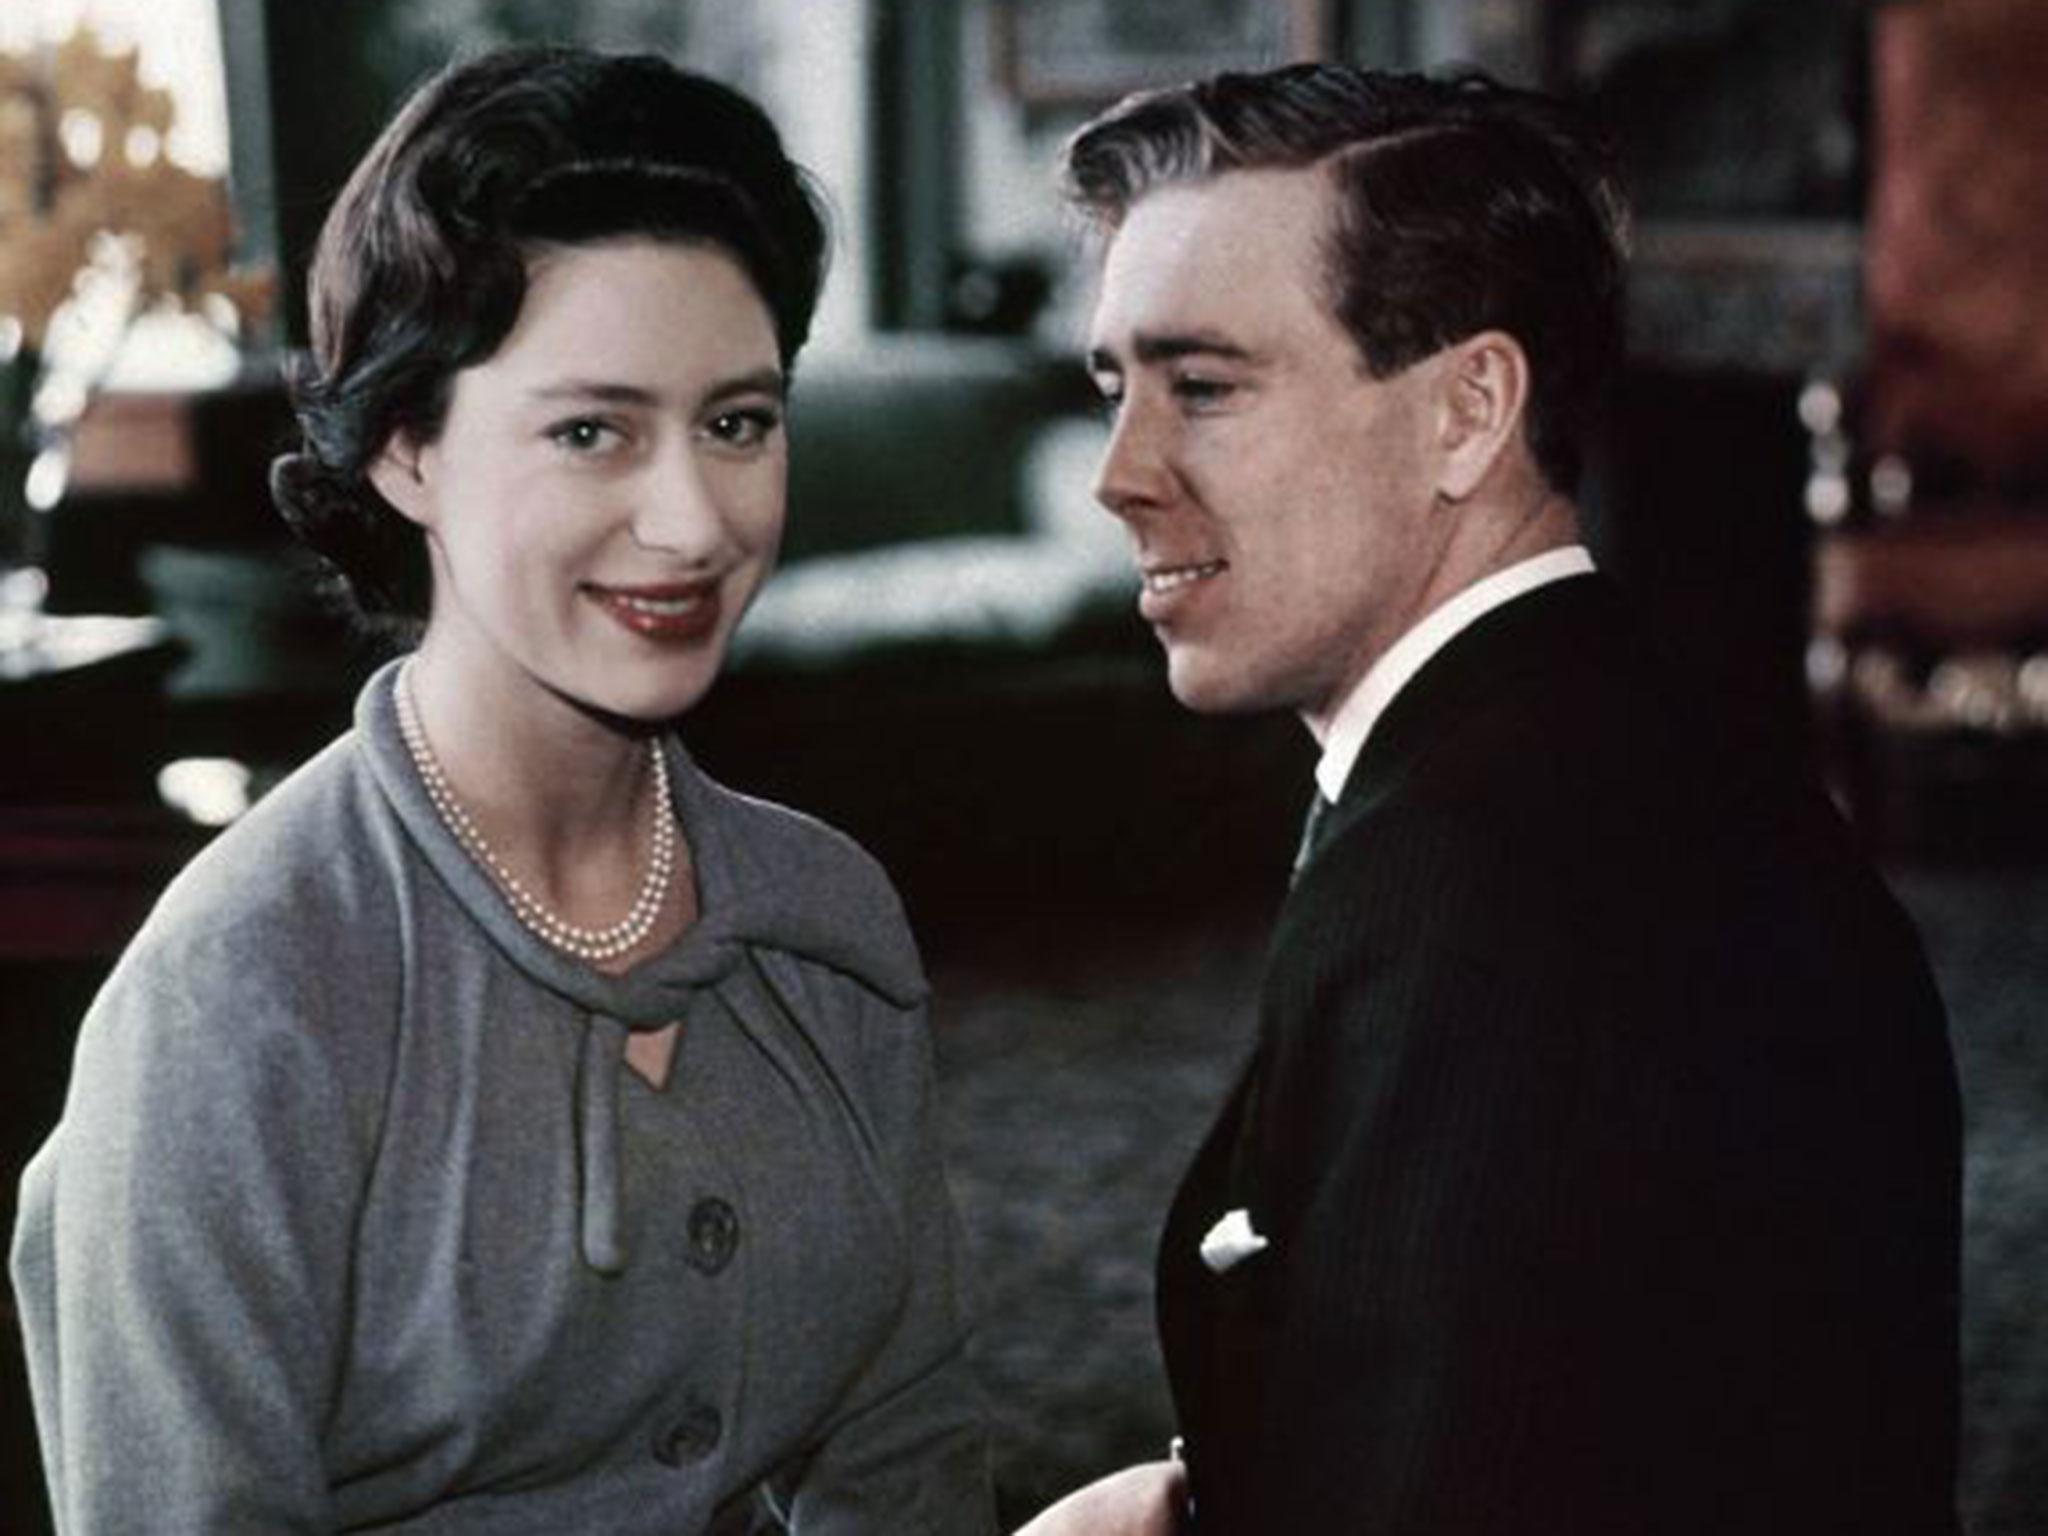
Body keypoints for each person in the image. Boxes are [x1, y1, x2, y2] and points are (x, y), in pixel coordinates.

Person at [10, 46, 993, 1534]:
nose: (690, 521)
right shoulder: (242, 997)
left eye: (737, 422)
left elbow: (905, 1465)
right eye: (590, 430)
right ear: (407, 445)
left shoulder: (827, 915)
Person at [1023, 64, 1961, 1535]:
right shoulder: (1598, 753)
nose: (1121, 475)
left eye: (1202, 386)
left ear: (1468, 411)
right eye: (1112, 386)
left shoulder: (1488, 898)